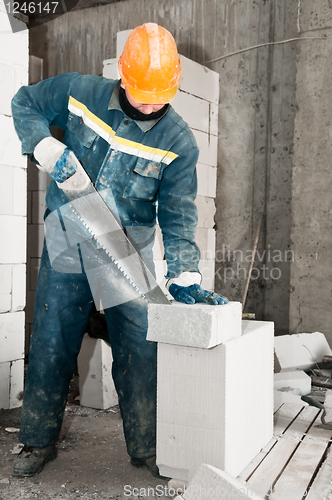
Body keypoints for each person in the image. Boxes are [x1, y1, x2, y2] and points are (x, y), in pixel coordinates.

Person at [11, 22, 228, 479]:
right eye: (141, 92)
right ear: (123, 78)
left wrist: (185, 271)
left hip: (127, 248)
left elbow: (178, 212)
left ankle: (147, 447)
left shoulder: (178, 141)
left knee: (139, 349)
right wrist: (45, 145)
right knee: (52, 338)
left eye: (160, 97)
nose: (150, 105)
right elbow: (23, 102)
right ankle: (36, 440)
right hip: (69, 234)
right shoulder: (79, 92)